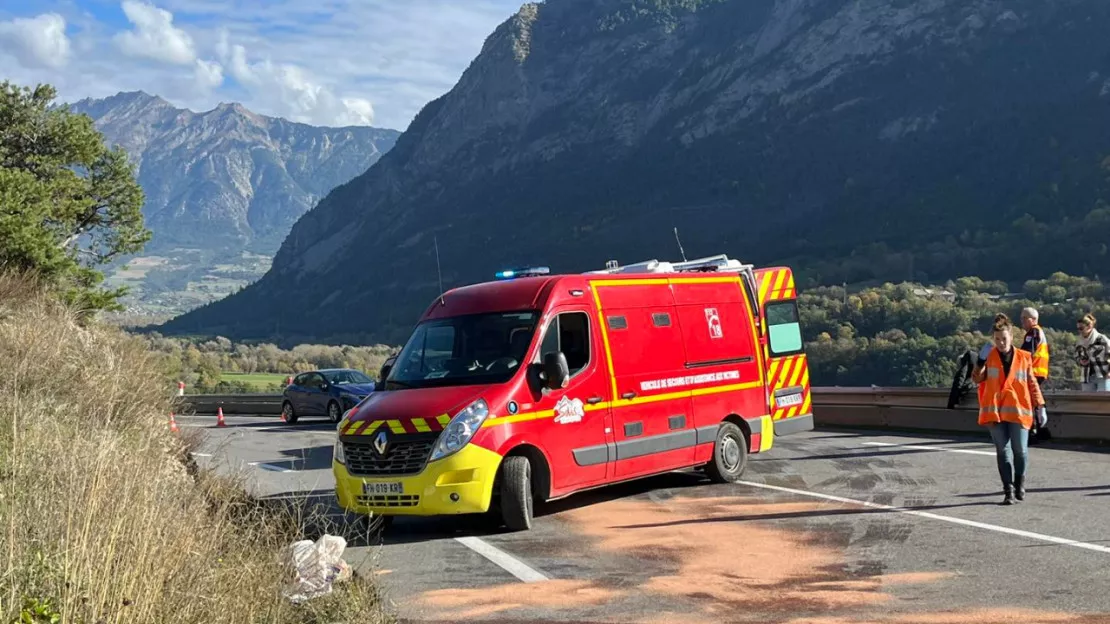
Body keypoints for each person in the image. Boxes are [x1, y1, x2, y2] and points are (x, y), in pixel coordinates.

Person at [972, 313, 1047, 505]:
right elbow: (977, 379)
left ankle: (1019, 482)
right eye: (997, 339)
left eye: (1004, 339)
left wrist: (1040, 406)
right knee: (1003, 451)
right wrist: (980, 362)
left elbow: (1032, 383)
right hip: (995, 411)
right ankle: (1008, 490)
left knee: (1020, 450)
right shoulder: (989, 357)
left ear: (1011, 337)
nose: (1001, 343)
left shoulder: (1024, 357)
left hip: (1018, 410)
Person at [1019, 307, 1050, 442]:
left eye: (1024, 319)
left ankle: (1033, 430)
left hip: (1034, 372)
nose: (1022, 322)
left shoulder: (1034, 332)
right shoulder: (1039, 332)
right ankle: (1039, 430)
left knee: (1030, 402)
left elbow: (1027, 352)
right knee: (1035, 401)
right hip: (1039, 372)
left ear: (1032, 319)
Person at [1075, 314, 1110, 392]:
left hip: (1103, 375)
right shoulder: (1079, 342)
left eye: (1081, 328)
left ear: (1089, 327)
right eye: (1078, 328)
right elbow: (1077, 357)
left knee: (1103, 401)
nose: (1079, 331)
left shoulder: (1102, 339)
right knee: (1088, 401)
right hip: (1087, 377)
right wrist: (1080, 361)